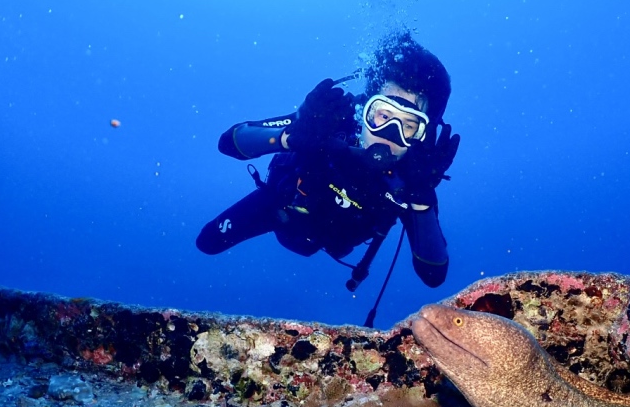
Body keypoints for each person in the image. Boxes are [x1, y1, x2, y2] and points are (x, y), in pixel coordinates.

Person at [196, 32, 460, 289]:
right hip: (279, 208)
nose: (389, 134)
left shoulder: (414, 178)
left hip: (335, 240)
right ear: (364, 107)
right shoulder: (329, 122)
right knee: (208, 241)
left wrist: (422, 200)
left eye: (409, 125)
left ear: (423, 134)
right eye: (383, 115)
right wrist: (291, 136)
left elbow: (433, 274)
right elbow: (228, 143)